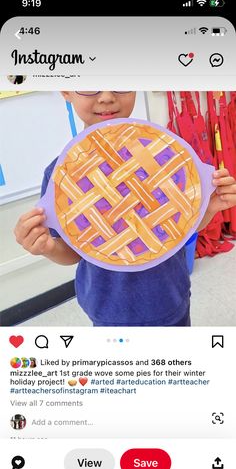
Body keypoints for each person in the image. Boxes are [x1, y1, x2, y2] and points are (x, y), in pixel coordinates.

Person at [14, 91, 236, 326]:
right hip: (107, 308)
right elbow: (73, 252)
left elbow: (184, 229)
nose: (107, 96)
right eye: (91, 86)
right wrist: (47, 247)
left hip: (169, 298)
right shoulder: (61, 177)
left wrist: (208, 209)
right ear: (67, 92)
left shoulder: (166, 155)